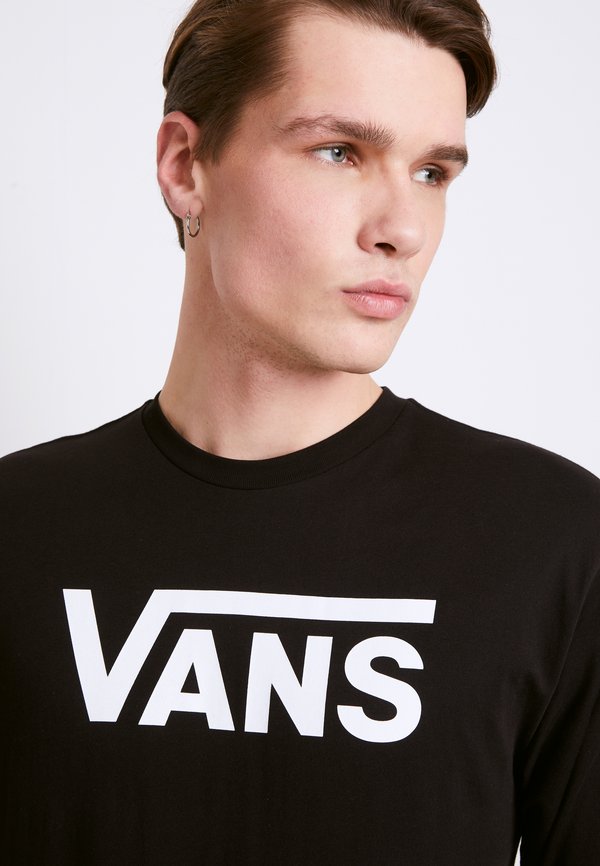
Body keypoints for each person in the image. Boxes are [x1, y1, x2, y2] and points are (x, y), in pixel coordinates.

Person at [1, 0, 599, 863]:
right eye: (339, 152)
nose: (402, 230)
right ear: (185, 166)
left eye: (432, 172)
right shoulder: (18, 528)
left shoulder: (551, 541)